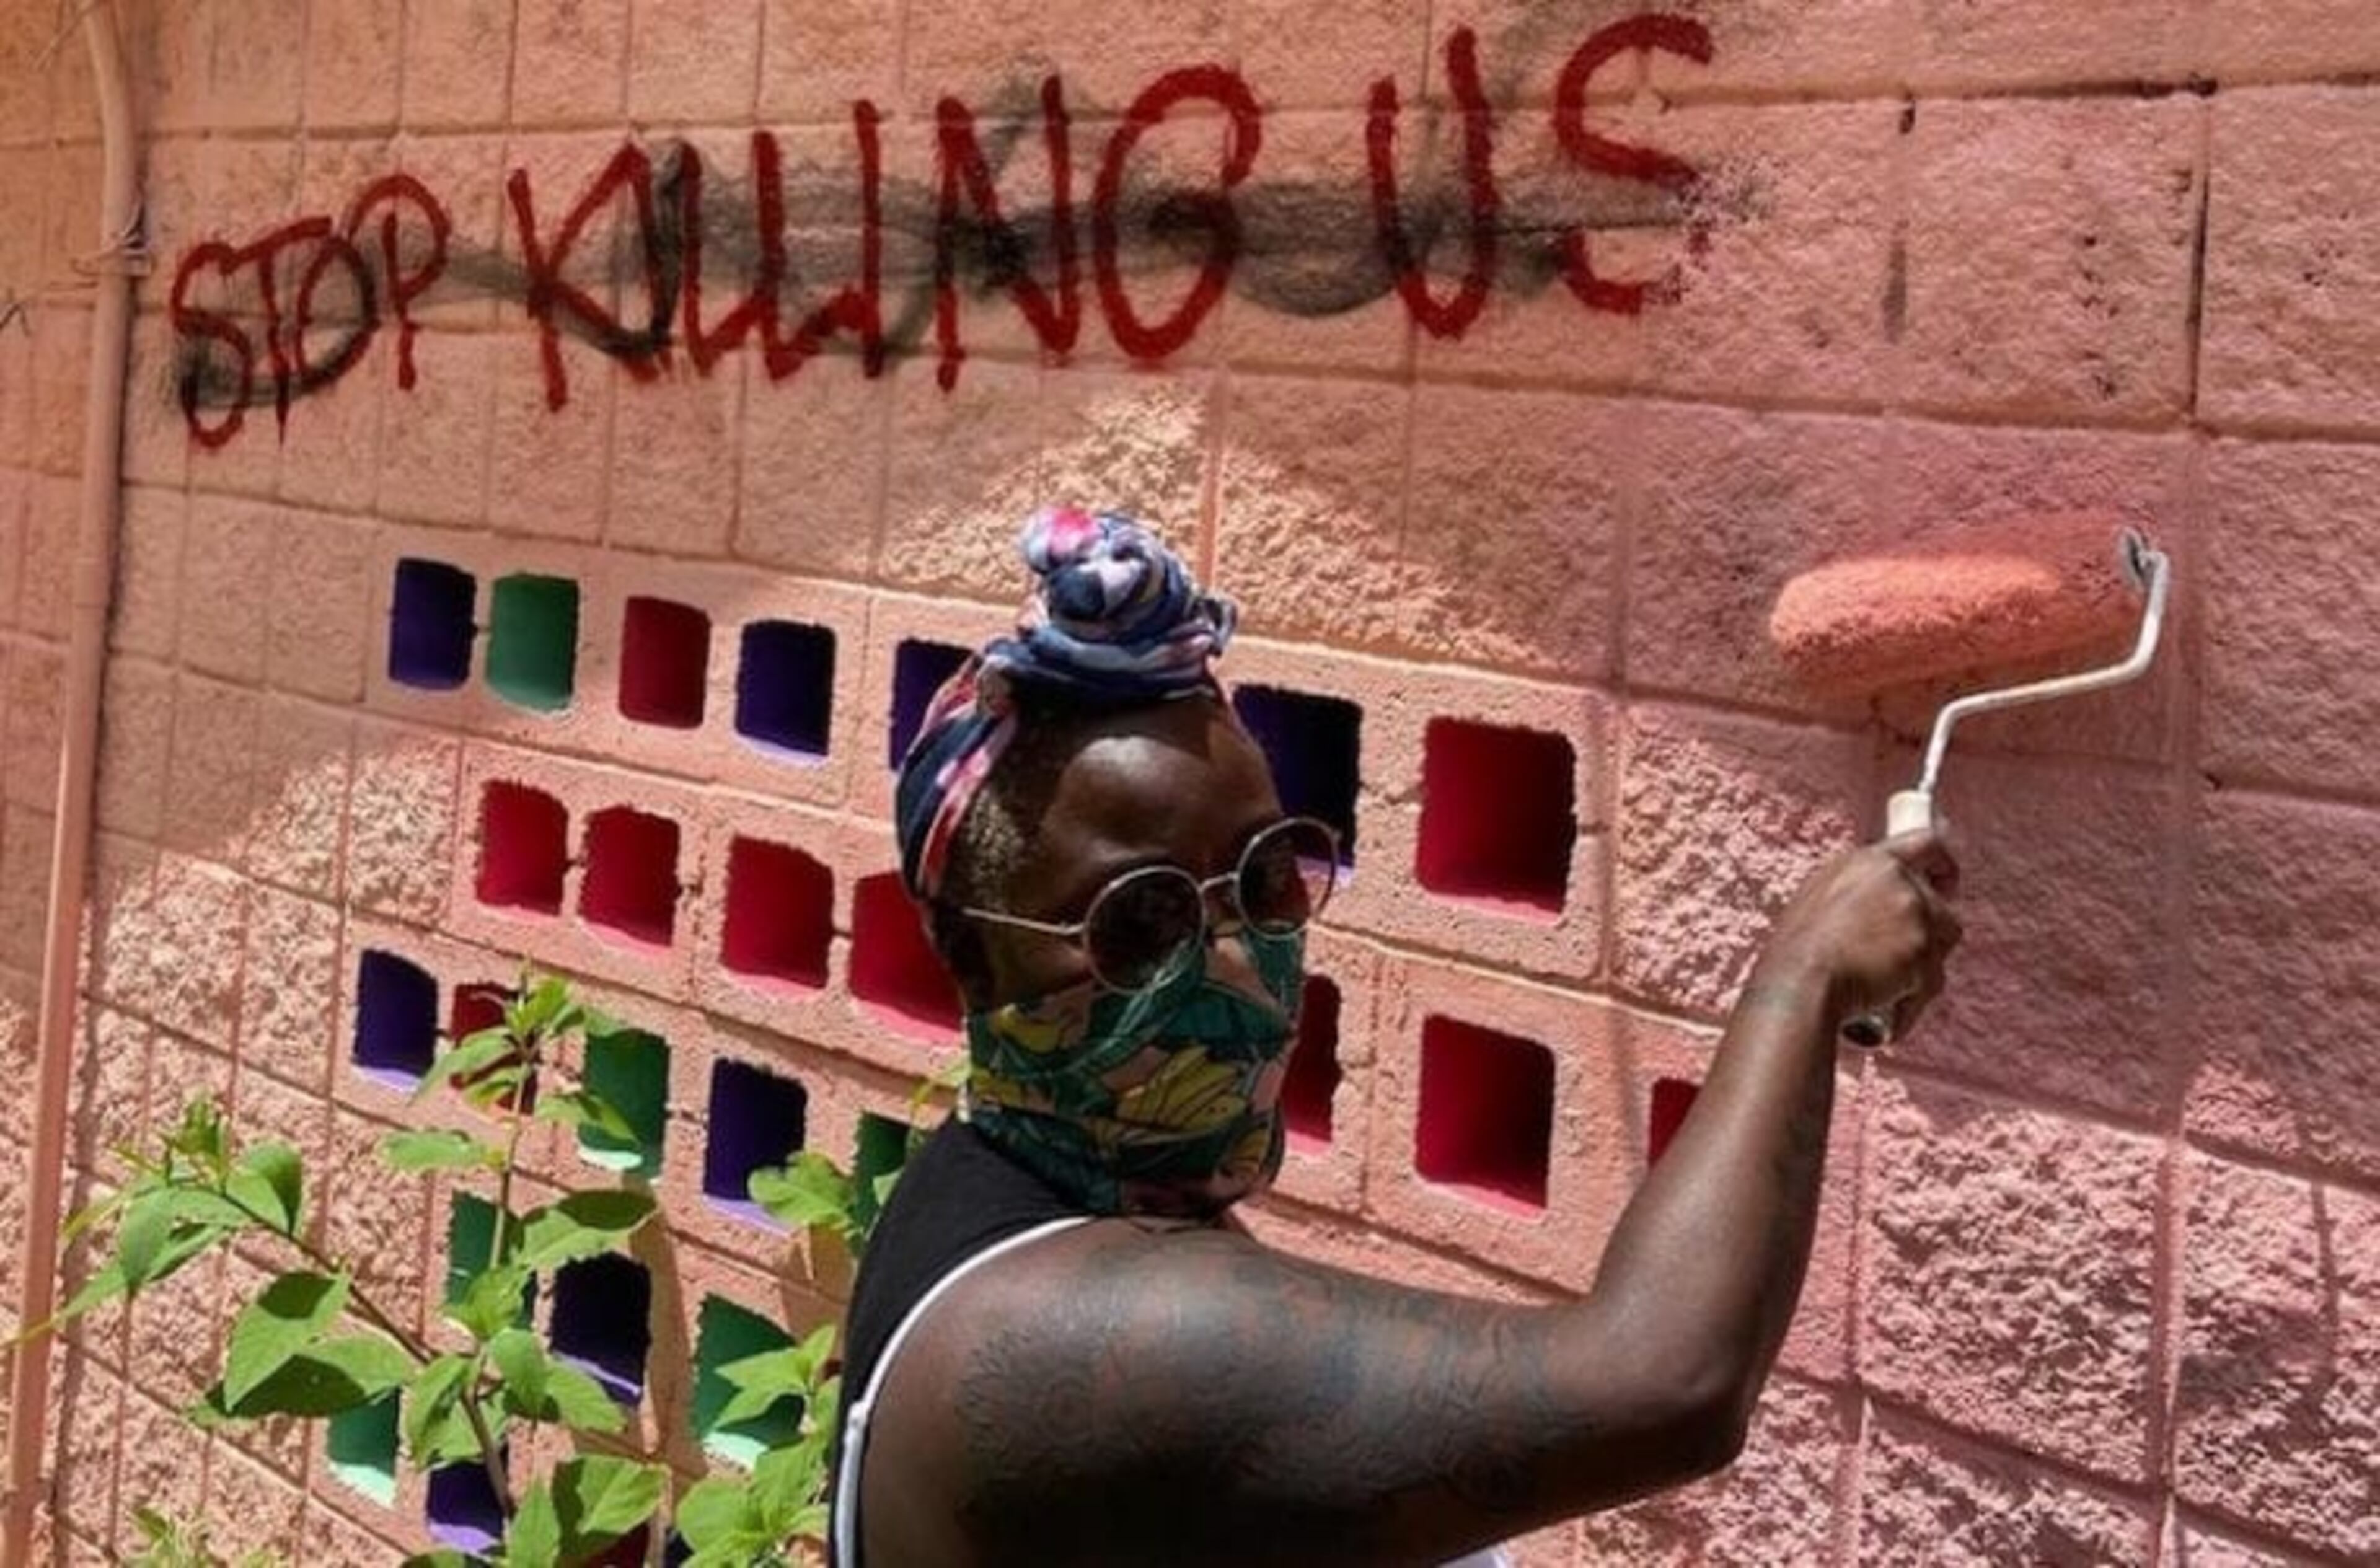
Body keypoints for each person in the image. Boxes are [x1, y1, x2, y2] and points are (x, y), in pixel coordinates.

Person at [830, 509, 1961, 1567]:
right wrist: (1803, 981)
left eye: (1266, 878)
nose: (1234, 960)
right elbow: (1665, 1383)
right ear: (977, 957)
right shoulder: (1070, 1332)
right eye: (1140, 917)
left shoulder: (1030, 1190)